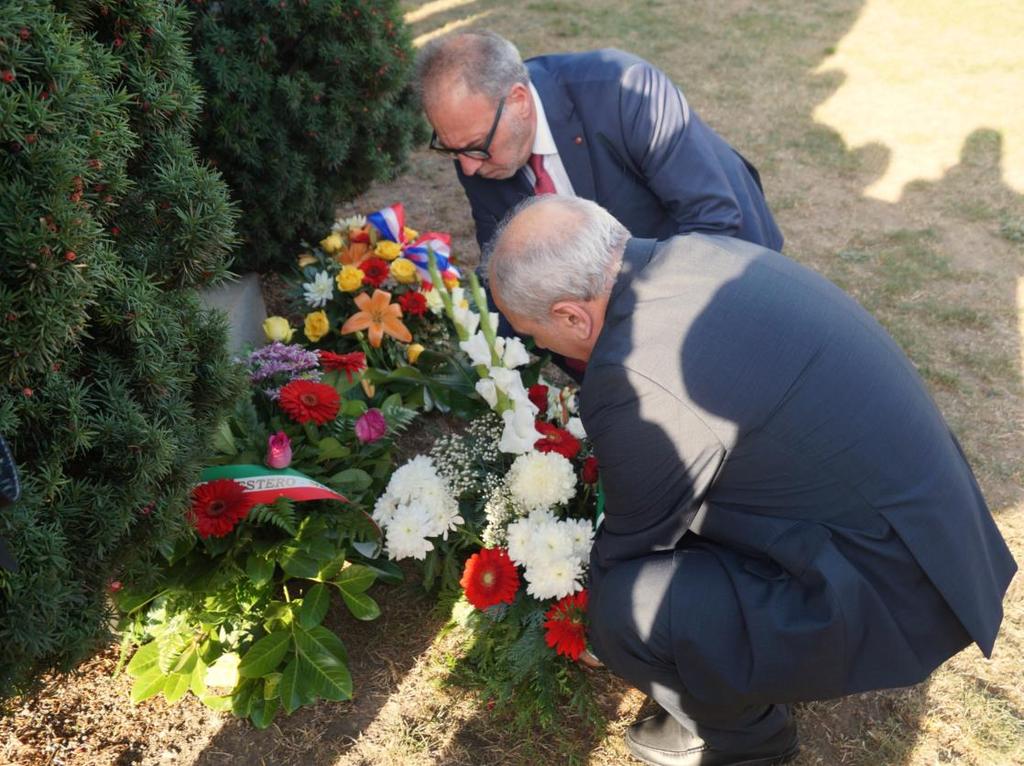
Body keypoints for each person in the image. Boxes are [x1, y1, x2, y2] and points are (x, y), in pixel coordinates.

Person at [486, 195, 1017, 766]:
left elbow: (633, 548)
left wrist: (590, 618)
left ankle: (748, 743)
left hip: (892, 588)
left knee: (622, 611)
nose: (542, 347)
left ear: (571, 315)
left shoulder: (632, 372)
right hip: (933, 534)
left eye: (535, 334)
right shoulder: (695, 249)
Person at [414, 31, 783, 257]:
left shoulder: (625, 91)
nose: (467, 167)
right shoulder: (472, 142)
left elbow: (713, 220)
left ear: (519, 100)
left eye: (475, 146)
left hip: (726, 256)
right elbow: (499, 264)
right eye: (450, 149)